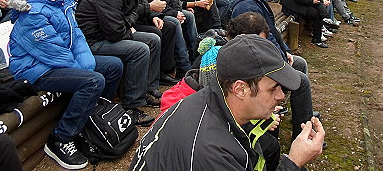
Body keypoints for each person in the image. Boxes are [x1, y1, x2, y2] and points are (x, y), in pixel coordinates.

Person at [129, 34, 325, 171]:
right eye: (273, 88)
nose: (281, 96)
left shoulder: (211, 100)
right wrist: (294, 162)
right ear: (240, 89)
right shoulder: (210, 151)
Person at [8, 0, 123, 170]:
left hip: (59, 62)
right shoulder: (33, 13)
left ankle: (90, 117)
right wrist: (83, 71)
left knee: (113, 66)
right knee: (93, 80)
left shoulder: (63, 3)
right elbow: (51, 52)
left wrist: (86, 65)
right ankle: (61, 139)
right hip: (36, 69)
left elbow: (77, 39)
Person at [230, 0, 317, 139]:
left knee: (300, 63)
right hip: (256, 64)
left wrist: (285, 51)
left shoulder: (257, 0)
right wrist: (280, 60)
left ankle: (301, 112)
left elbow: (272, 33)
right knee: (302, 81)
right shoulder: (247, 7)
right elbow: (258, 43)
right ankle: (302, 134)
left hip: (268, 56)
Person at [75, 0, 160, 126]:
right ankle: (132, 105)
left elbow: (124, 19)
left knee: (152, 39)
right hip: (92, 42)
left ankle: (148, 90)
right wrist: (130, 24)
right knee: (140, 49)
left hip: (107, 35)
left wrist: (129, 22)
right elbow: (116, 32)